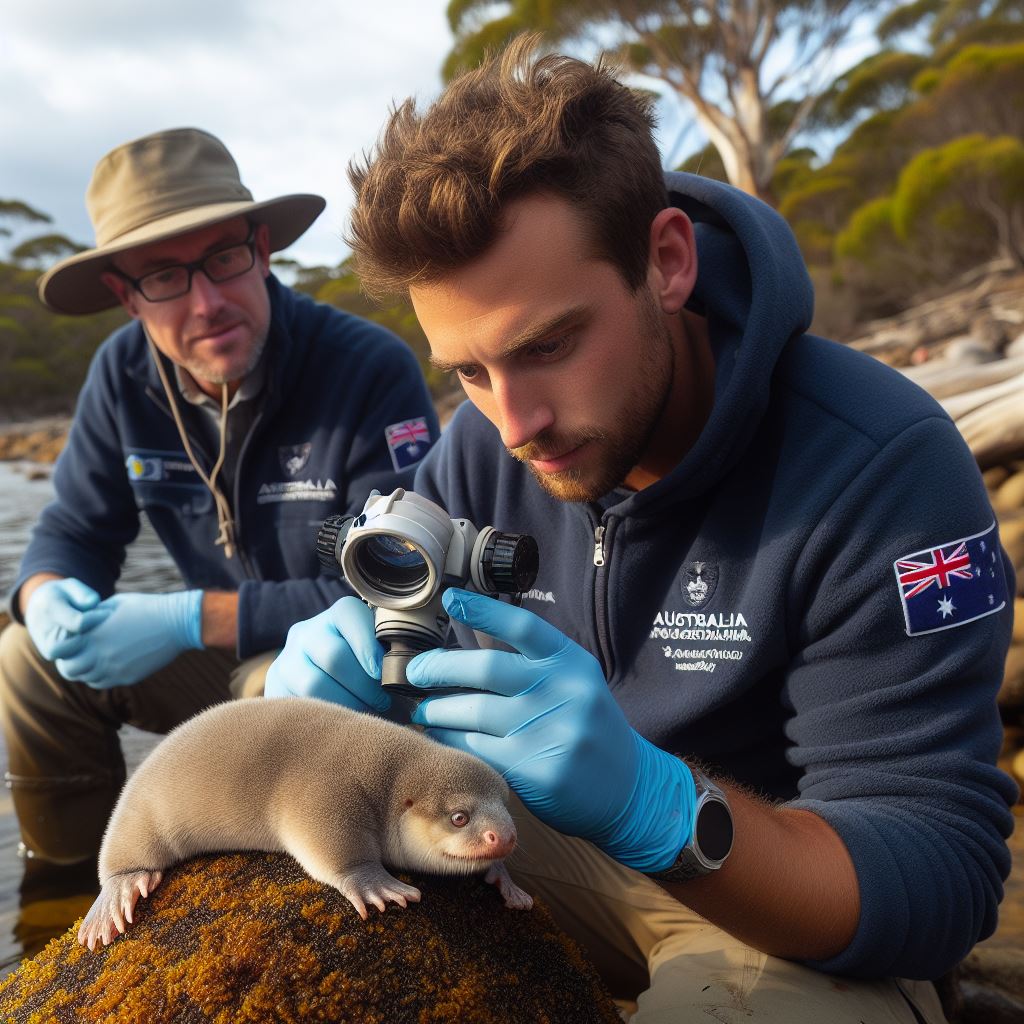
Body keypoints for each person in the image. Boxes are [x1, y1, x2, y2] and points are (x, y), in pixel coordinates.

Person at [265, 41, 1016, 1023]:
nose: (514, 423)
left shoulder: (881, 466)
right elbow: (395, 650)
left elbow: (941, 879)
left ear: (665, 261)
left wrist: (655, 806)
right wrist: (325, 710)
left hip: (777, 896)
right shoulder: (482, 450)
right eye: (469, 370)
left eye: (550, 344)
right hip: (517, 837)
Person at [0, 127, 439, 872]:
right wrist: (43, 593)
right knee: (24, 661)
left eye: (223, 260)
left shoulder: (367, 370)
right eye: (164, 277)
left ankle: (282, 897)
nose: (206, 302)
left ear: (262, 248)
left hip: (335, 666)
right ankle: (67, 897)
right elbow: (76, 526)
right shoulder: (121, 375)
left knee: (285, 690)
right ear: (125, 296)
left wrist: (188, 617)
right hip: (219, 667)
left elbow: (406, 587)